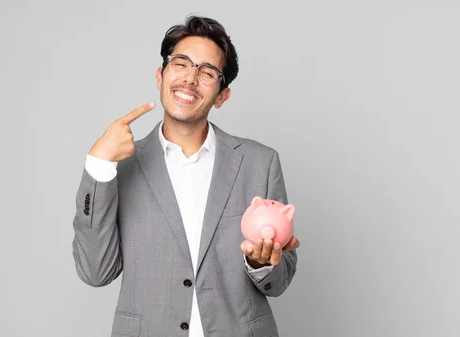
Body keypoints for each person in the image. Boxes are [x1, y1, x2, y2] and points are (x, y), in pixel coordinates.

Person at [72, 15, 300, 337]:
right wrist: (98, 164)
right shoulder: (118, 166)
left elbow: (281, 278)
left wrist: (262, 263)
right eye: (181, 64)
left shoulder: (260, 163)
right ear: (160, 75)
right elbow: (96, 271)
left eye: (207, 72)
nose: (190, 79)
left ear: (222, 95)